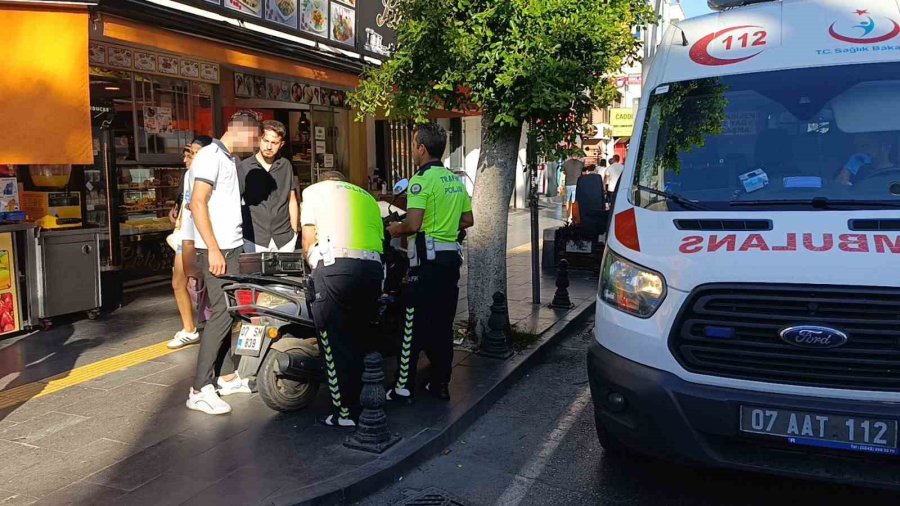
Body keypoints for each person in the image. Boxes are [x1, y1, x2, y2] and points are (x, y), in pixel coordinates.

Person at [386, 122, 474, 403]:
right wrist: (444, 224)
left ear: (421, 149)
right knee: (442, 324)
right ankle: (440, 384)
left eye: (413, 145)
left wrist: (393, 229)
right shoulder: (453, 180)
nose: (412, 150)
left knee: (411, 324)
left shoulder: (420, 181)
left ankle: (402, 387)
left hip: (425, 263)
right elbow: (468, 220)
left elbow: (412, 224)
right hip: (450, 263)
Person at [186, 113, 260, 416]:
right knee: (220, 313)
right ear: (240, 131)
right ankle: (199, 388)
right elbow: (197, 203)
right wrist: (213, 249)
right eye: (254, 138)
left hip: (230, 247)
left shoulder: (227, 159)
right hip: (216, 249)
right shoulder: (209, 157)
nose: (254, 145)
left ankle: (226, 377)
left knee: (230, 311)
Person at [301, 171, 384, 428]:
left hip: (336, 266)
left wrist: (314, 265)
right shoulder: (367, 197)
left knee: (332, 339)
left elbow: (308, 240)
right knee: (360, 335)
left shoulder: (313, 191)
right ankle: (365, 401)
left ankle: (344, 413)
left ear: (325, 180)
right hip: (372, 270)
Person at [167, 136, 212, 350]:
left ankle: (211, 324)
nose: (189, 158)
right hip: (187, 235)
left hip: (205, 236)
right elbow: (186, 203)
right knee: (179, 281)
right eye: (189, 153)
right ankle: (189, 328)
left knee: (210, 283)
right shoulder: (188, 176)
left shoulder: (214, 173)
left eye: (194, 153)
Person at [239, 120, 300, 253]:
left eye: (274, 143)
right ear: (259, 140)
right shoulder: (245, 167)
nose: (269, 146)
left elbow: (292, 199)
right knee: (255, 274)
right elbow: (236, 201)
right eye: (266, 141)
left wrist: (294, 231)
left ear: (281, 144)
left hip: (284, 238)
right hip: (254, 237)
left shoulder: (286, 165)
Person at [574, 164, 607, 238]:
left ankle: (585, 236)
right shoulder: (598, 177)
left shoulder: (581, 179)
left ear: (587, 171)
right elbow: (602, 191)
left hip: (584, 204)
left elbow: (577, 193)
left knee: (585, 222)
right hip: (597, 203)